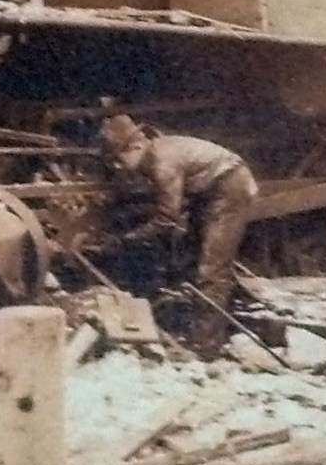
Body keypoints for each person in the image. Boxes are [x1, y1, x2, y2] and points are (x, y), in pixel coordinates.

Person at [101, 114, 260, 335]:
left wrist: (129, 238)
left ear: (136, 147)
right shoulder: (158, 151)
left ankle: (206, 344)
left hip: (229, 187)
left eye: (119, 160)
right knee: (192, 257)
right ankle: (225, 322)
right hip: (212, 189)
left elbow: (167, 218)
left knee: (212, 267)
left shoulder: (161, 162)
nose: (120, 168)